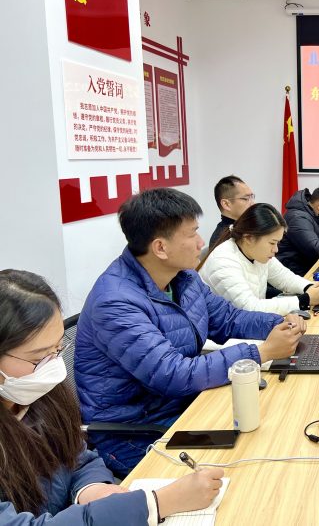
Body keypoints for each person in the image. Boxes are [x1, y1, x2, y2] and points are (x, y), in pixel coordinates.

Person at [75, 188, 305, 477]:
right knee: (252, 468)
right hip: (138, 433)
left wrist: (279, 323)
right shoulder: (116, 303)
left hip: (183, 405)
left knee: (277, 428)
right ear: (160, 248)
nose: (201, 243)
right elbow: (172, 374)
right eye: (192, 234)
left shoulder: (184, 277)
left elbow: (228, 318)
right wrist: (261, 352)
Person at [0, 269, 224, 525]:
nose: (52, 365)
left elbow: (79, 457)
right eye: (38, 357)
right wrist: (156, 504)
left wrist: (91, 488)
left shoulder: (39, 396)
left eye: (58, 349)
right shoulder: (115, 300)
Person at [198, 203, 319, 315]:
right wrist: (305, 300)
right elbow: (250, 308)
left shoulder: (256, 252)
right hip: (224, 334)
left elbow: (284, 277)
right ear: (249, 238)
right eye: (272, 243)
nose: (276, 249)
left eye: (277, 243)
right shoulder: (224, 262)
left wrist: (311, 287)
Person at [208, 175, 255, 248]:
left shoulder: (246, 226)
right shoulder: (222, 240)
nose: (253, 203)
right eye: (246, 199)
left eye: (252, 197)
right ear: (226, 204)